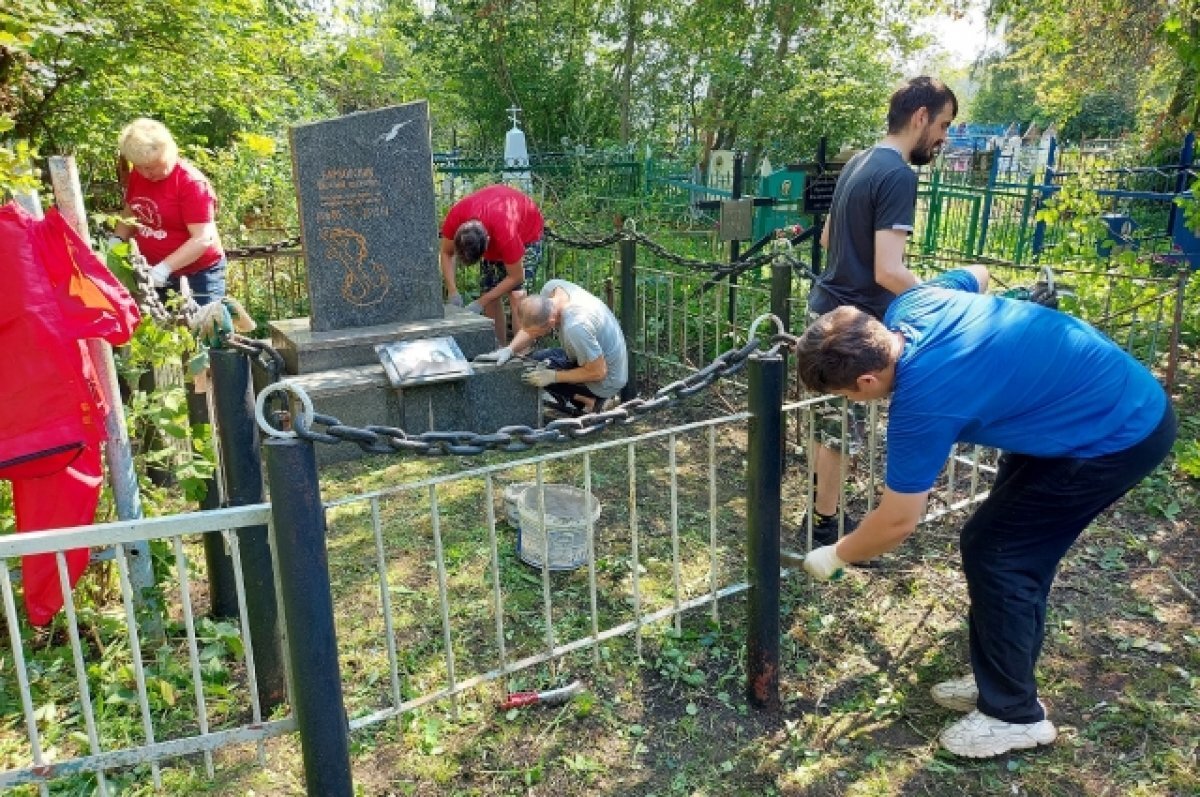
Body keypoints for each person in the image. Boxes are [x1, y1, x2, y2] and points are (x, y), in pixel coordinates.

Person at [793, 266, 1176, 759]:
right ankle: (998, 679)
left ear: (867, 379)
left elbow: (897, 521)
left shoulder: (922, 400)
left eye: (848, 394)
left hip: (1116, 433)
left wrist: (835, 555)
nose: (853, 401)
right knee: (997, 547)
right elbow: (978, 274)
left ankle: (1013, 715)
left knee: (1003, 556)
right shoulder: (911, 307)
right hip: (1074, 408)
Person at [805, 76, 958, 545]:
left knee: (828, 423)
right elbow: (890, 270)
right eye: (944, 124)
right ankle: (826, 526)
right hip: (857, 323)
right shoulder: (896, 175)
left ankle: (821, 512)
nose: (943, 138)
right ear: (920, 117)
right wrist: (944, 300)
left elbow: (829, 238)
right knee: (838, 431)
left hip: (827, 309)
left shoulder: (859, 161)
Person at [113, 118, 226, 307]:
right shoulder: (138, 176)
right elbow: (132, 209)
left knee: (204, 332)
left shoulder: (191, 183)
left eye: (150, 167)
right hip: (152, 273)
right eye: (138, 167)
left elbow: (203, 238)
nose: (145, 174)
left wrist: (164, 268)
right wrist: (116, 240)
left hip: (198, 275)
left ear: (168, 152)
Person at [475, 278, 627, 413]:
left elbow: (599, 372)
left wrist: (554, 376)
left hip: (607, 379)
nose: (535, 336)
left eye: (538, 333)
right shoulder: (552, 289)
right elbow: (532, 327)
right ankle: (585, 398)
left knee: (537, 373)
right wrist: (509, 349)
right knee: (534, 360)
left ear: (551, 323)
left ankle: (593, 401)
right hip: (593, 357)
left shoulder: (575, 326)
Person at [439, 184, 544, 345]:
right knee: (490, 294)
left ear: (487, 243)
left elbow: (516, 277)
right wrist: (453, 291)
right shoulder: (456, 217)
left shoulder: (505, 232)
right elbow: (446, 253)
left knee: (517, 296)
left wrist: (480, 302)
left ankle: (520, 354)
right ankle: (497, 347)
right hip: (495, 222)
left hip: (526, 235)